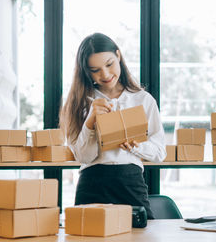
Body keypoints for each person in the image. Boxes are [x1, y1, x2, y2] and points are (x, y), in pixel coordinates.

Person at [59, 33, 166, 219]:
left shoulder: (143, 100)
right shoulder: (80, 102)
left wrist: (137, 146)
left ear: (119, 55)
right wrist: (90, 122)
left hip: (130, 183)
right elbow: (84, 156)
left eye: (109, 64)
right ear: (86, 71)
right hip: (92, 184)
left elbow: (159, 153)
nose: (105, 74)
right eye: (95, 70)